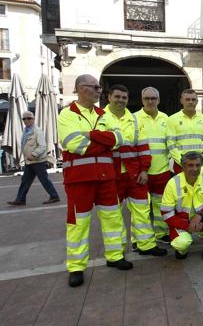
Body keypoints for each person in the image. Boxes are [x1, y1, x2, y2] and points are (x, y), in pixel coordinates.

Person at [58, 75, 131, 287]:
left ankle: (115, 256)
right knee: (78, 224)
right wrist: (102, 139)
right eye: (96, 87)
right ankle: (76, 267)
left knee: (113, 218)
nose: (100, 90)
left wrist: (90, 135)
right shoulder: (67, 114)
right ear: (82, 88)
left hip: (106, 177)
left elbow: (118, 139)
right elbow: (75, 145)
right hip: (79, 179)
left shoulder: (103, 114)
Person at [103, 84, 166, 257]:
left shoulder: (133, 120)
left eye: (124, 97)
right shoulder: (100, 118)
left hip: (134, 174)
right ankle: (116, 254)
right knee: (113, 215)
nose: (120, 100)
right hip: (112, 174)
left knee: (142, 209)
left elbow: (143, 147)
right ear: (109, 97)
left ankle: (146, 245)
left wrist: (144, 169)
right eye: (117, 97)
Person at [160, 152, 203, 263]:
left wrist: (200, 215)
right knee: (182, 243)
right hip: (181, 222)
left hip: (202, 218)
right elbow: (166, 214)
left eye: (198, 165)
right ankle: (182, 251)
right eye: (190, 165)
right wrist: (189, 226)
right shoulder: (173, 183)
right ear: (183, 167)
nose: (195, 169)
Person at [134, 87, 171, 242]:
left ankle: (161, 234)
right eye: (147, 98)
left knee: (159, 205)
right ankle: (138, 240)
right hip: (141, 172)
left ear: (158, 100)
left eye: (153, 98)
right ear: (142, 100)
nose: (150, 101)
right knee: (140, 209)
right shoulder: (134, 118)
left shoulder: (166, 118)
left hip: (162, 170)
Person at [7, 111, 60, 206]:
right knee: (25, 181)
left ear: (33, 119)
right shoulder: (25, 130)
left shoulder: (37, 131)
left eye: (29, 118)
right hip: (29, 161)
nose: (26, 120)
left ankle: (54, 196)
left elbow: (43, 146)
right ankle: (20, 199)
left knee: (44, 180)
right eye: (24, 119)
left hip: (38, 161)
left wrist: (34, 154)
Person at [166, 89, 203, 174]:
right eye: (187, 99)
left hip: (200, 164)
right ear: (181, 101)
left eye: (193, 99)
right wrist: (181, 161)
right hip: (180, 164)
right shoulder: (172, 119)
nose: (190, 102)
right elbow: (170, 144)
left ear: (197, 101)